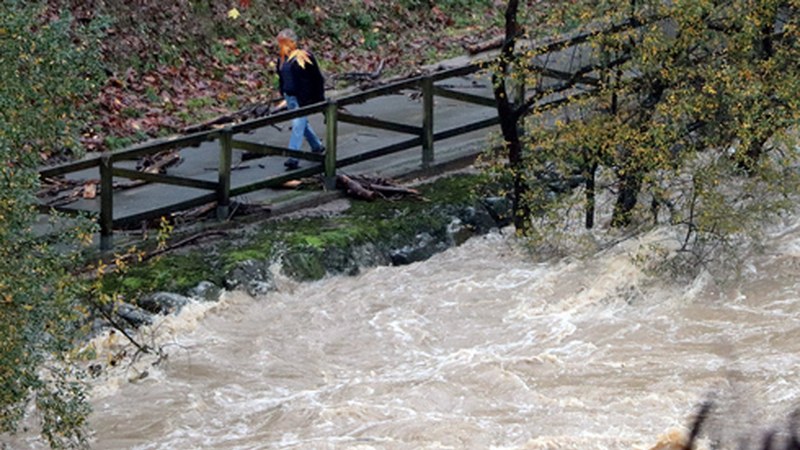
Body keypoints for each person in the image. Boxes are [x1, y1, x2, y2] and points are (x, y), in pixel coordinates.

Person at [275, 28, 325, 170]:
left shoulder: (304, 56)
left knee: (297, 125)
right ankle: (317, 146)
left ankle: (293, 157)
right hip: (290, 96)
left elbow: (316, 78)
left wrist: (319, 98)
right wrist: (283, 92)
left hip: (303, 98)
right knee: (303, 125)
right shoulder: (281, 58)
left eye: (285, 42)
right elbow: (282, 77)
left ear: (293, 42)